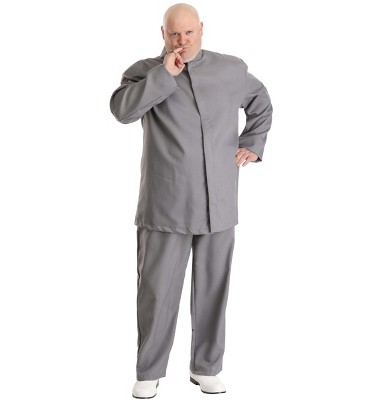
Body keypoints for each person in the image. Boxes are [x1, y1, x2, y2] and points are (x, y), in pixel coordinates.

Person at [110, 3, 273, 398]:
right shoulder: (143, 71)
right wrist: (163, 75)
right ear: (162, 34)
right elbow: (122, 111)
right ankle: (149, 371)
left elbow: (261, 102)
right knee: (156, 292)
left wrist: (252, 143)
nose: (181, 41)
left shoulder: (231, 69)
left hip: (220, 201)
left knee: (214, 290)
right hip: (166, 204)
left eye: (188, 32)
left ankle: (206, 368)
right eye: (174, 34)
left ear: (201, 28)